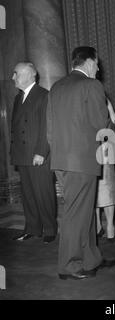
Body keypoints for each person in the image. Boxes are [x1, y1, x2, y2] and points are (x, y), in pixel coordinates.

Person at [47, 46, 115, 280]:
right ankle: (68, 265)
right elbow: (100, 122)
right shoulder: (91, 85)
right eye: (97, 63)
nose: (98, 68)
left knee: (83, 211)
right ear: (89, 62)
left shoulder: (57, 86)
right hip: (82, 159)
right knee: (75, 214)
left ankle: (91, 258)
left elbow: (49, 128)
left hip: (61, 159)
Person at [10, 62, 57, 244]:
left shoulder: (44, 95)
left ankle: (50, 229)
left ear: (30, 75)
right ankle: (32, 228)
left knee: (43, 193)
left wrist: (41, 152)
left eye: (16, 73)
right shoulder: (17, 98)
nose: (13, 77)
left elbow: (48, 127)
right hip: (22, 154)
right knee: (28, 195)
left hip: (38, 154)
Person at [95, 99, 115, 242]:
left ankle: (110, 225)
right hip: (87, 153)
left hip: (106, 154)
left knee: (107, 191)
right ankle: (97, 224)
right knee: (93, 192)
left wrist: (109, 107)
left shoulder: (106, 107)